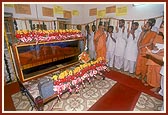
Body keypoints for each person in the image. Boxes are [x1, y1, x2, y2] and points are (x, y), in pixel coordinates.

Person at [146, 20, 164, 92]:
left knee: (157, 72)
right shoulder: (157, 35)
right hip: (154, 53)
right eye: (161, 25)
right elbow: (153, 43)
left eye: (163, 26)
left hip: (160, 56)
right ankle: (150, 82)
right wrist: (154, 48)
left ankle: (157, 87)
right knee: (151, 70)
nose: (161, 28)